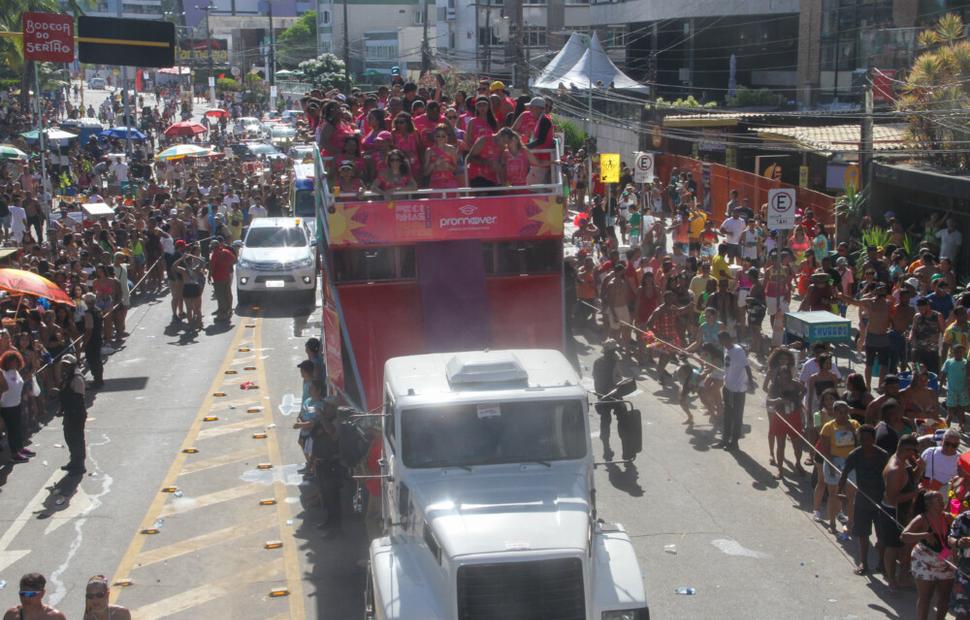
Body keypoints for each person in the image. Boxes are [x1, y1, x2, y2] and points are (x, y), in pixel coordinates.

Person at [839, 424, 891, 576]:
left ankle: (881, 562)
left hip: (880, 501)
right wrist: (840, 493)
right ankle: (864, 562)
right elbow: (844, 475)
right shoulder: (855, 455)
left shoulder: (882, 455)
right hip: (862, 500)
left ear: (874, 439)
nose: (865, 442)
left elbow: (889, 476)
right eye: (862, 439)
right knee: (863, 534)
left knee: (882, 536)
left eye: (868, 439)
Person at [880, 433, 925, 593]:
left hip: (903, 512)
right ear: (908, 450)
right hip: (894, 512)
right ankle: (892, 580)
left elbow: (909, 482)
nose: (916, 454)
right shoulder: (895, 469)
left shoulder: (903, 461)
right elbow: (893, 498)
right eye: (914, 451)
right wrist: (916, 494)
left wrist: (919, 469)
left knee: (903, 546)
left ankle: (903, 578)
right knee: (892, 548)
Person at [901, 490, 954, 620]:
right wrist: (924, 535)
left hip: (945, 560)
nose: (943, 502)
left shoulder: (947, 517)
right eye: (939, 500)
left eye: (942, 499)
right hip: (924, 560)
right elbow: (904, 536)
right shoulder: (921, 518)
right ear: (929, 504)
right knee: (925, 597)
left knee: (945, 597)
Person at [819, 401, 860, 538]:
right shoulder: (828, 427)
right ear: (835, 413)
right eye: (840, 412)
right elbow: (825, 449)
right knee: (833, 494)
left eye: (845, 412)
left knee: (851, 496)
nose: (843, 415)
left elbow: (860, 443)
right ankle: (832, 523)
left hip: (851, 462)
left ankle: (850, 524)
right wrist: (830, 465)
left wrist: (852, 430)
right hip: (834, 461)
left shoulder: (854, 424)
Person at [765, 359, 806, 479]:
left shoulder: (794, 383)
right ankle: (780, 469)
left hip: (794, 415)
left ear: (789, 375)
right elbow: (768, 400)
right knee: (780, 444)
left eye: (786, 376)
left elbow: (804, 390)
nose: (784, 379)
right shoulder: (774, 386)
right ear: (778, 376)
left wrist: (799, 398)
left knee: (797, 443)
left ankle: (798, 463)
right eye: (781, 376)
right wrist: (778, 400)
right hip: (780, 416)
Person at [715, 330, 753, 451]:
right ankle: (724, 440)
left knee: (737, 416)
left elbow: (747, 367)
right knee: (727, 415)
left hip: (737, 390)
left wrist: (751, 383)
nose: (720, 343)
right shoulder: (726, 349)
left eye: (721, 341)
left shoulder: (738, 351)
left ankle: (734, 442)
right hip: (728, 387)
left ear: (726, 339)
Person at [59, 353, 88, 475]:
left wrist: (61, 394)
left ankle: (79, 464)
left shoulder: (77, 378)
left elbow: (77, 397)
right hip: (69, 412)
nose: (65, 367)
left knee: (77, 439)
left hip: (76, 413)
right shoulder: (68, 376)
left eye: (67, 365)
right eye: (63, 365)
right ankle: (74, 461)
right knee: (69, 437)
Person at [0, 350, 29, 463]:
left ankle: (20, 448)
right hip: (7, 406)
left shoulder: (16, 372)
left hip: (16, 403)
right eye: (11, 361)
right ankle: (14, 453)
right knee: (12, 430)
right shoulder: (3, 374)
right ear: (6, 363)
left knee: (17, 428)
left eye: (16, 361)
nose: (14, 363)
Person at [2, 573, 66, 620]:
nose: (26, 598)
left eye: (31, 594)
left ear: (42, 593)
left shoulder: (55, 617)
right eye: (23, 594)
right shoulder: (11, 615)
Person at [942, 343, 970, 429]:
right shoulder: (949, 362)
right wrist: (940, 387)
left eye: (961, 352)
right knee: (950, 411)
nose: (959, 354)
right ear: (953, 352)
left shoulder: (966, 363)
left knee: (961, 410)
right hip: (951, 390)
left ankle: (961, 426)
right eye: (957, 352)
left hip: (963, 390)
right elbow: (944, 374)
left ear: (963, 353)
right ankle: (946, 427)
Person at [208, 237, 236, 322]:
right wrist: (226, 265)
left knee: (220, 296)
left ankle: (223, 313)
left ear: (213, 247)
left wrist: (209, 276)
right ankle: (228, 310)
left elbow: (212, 267)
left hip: (218, 278)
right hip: (226, 276)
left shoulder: (215, 255)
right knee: (227, 293)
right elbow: (234, 260)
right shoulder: (226, 252)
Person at [82, 292, 104, 389]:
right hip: (98, 337)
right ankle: (99, 379)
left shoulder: (88, 313)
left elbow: (89, 330)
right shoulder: (98, 310)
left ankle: (97, 380)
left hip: (92, 340)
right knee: (97, 360)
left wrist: (84, 343)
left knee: (92, 360)